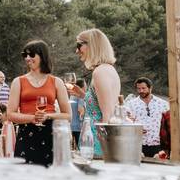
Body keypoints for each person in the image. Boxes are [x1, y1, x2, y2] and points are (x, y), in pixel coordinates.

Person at [7, 40, 71, 166]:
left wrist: (48, 116)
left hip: (50, 135)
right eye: (24, 55)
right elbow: (10, 114)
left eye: (31, 55)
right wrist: (32, 118)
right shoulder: (18, 82)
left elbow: (68, 115)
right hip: (26, 135)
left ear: (42, 56)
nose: (27, 58)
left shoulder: (56, 82)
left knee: (51, 178)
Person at [73, 28, 120, 157]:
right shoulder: (108, 69)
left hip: (97, 142)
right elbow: (102, 104)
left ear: (92, 45)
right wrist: (83, 95)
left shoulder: (100, 72)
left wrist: (105, 150)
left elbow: (108, 114)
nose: (77, 51)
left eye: (79, 45)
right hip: (96, 139)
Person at [126, 77, 170, 158]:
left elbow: (169, 122)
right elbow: (125, 121)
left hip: (159, 144)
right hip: (138, 144)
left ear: (150, 88)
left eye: (143, 88)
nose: (141, 91)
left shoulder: (163, 104)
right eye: (138, 89)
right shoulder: (130, 104)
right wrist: (134, 128)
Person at [70, 78, 87, 149]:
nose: (86, 86)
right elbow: (81, 111)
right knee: (80, 148)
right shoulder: (80, 97)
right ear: (82, 87)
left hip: (71, 125)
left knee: (73, 148)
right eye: (85, 85)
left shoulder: (72, 96)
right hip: (78, 127)